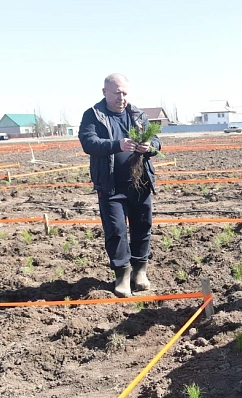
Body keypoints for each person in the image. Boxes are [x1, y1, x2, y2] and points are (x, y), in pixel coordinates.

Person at [78, 73, 161, 298]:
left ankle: (140, 272)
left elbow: (156, 142)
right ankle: (122, 276)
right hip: (111, 186)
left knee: (142, 226)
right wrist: (118, 144)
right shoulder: (93, 115)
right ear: (104, 92)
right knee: (116, 230)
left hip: (139, 182)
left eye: (124, 93)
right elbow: (88, 142)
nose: (121, 98)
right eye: (117, 93)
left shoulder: (137, 115)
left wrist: (148, 147)